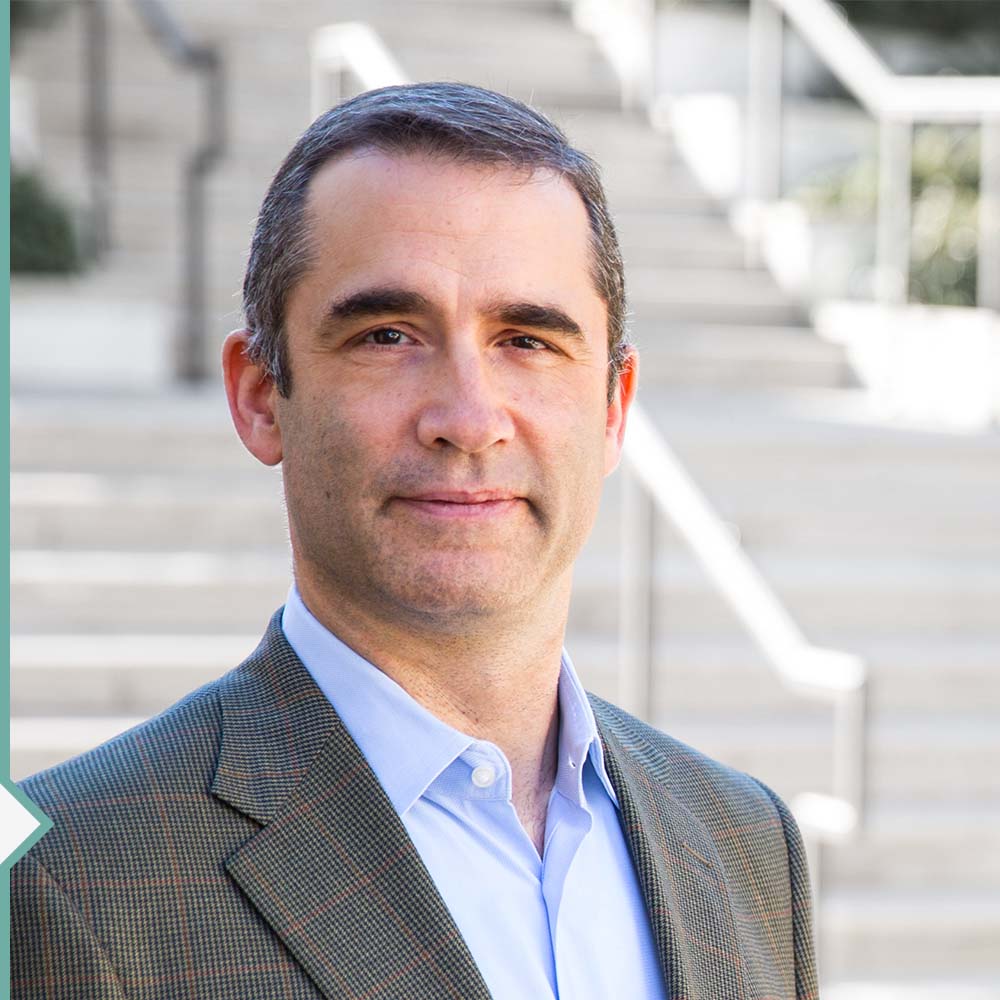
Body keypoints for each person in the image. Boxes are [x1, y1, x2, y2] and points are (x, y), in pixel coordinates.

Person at [11, 82, 817, 1000]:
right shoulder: (60, 881)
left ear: (613, 409)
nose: (469, 420)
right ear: (260, 397)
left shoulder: (746, 843)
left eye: (527, 340)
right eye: (388, 336)